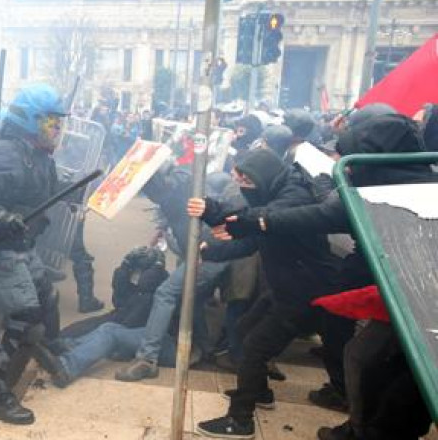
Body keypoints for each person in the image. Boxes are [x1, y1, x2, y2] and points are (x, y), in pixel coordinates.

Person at [215, 112, 437, 440]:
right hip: (392, 296)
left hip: (416, 308)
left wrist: (255, 221)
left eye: (347, 159)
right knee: (359, 357)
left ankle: (247, 418)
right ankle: (357, 423)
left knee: (380, 373)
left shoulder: (396, 192)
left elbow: (317, 214)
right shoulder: (375, 183)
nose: (341, 165)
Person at [190, 149, 344, 439]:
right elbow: (251, 242)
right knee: (245, 328)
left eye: (247, 181)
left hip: (306, 291)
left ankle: (240, 420)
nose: (244, 188)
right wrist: (210, 251)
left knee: (254, 347)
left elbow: (263, 218)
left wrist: (214, 211)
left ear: (265, 177)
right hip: (289, 286)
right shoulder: (273, 194)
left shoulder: (293, 197)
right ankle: (259, 392)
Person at [0, 83, 67, 425]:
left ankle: (48, 349)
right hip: (3, 248)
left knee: (47, 296)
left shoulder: (37, 155)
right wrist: (0, 216)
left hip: (24, 246)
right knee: (24, 318)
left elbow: (45, 189)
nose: (58, 128)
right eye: (52, 121)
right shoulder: (8, 152)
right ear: (31, 122)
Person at [114, 168, 232, 382]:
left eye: (149, 189)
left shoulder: (176, 192)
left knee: (165, 294)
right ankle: (206, 349)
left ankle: (147, 359)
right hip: (205, 253)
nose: (150, 195)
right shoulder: (178, 190)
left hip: (208, 255)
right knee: (192, 300)